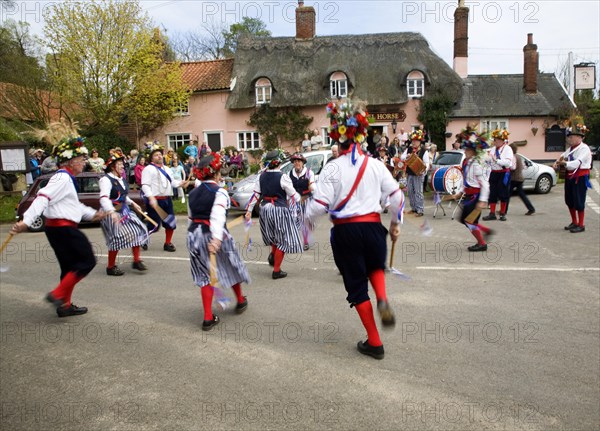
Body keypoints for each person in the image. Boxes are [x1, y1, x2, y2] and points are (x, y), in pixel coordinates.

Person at [305, 99, 404, 360]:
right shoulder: (375, 165)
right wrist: (395, 223)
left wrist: (306, 218)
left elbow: (319, 207)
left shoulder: (332, 168)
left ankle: (375, 342)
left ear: (338, 139)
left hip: (346, 232)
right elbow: (397, 197)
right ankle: (382, 297)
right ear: (360, 137)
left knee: (358, 288)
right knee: (374, 267)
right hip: (373, 228)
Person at [10, 137, 104, 317]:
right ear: (71, 161)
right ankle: (58, 294)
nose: (84, 163)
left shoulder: (67, 178)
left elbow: (73, 206)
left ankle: (65, 306)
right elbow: (43, 196)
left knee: (69, 267)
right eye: (82, 159)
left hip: (57, 228)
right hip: (63, 228)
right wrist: (27, 221)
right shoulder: (62, 177)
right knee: (87, 261)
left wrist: (93, 214)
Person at [187, 153, 250, 331]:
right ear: (214, 174)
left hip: (194, 236)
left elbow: (192, 218)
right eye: (219, 171)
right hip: (214, 235)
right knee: (230, 265)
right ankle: (240, 300)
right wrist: (215, 239)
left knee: (203, 274)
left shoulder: (192, 194)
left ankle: (208, 317)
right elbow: (217, 216)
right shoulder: (220, 192)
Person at [245, 150, 303, 279]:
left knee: (273, 235)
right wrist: (299, 200)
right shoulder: (283, 177)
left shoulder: (261, 176)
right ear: (279, 162)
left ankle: (273, 254)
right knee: (284, 238)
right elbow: (294, 196)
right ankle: (276, 270)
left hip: (265, 209)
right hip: (279, 209)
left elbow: (255, 195)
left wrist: (249, 211)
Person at [99, 150, 149, 276]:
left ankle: (136, 261)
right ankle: (110, 267)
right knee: (116, 237)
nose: (122, 166)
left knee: (138, 229)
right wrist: (111, 212)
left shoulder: (121, 179)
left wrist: (133, 203)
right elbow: (104, 198)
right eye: (120, 164)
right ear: (112, 166)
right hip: (110, 212)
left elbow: (122, 196)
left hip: (123, 209)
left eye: (122, 164)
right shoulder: (106, 180)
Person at [141, 143, 187, 252]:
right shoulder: (148, 169)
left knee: (170, 223)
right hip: (155, 201)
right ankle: (142, 238)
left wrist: (181, 183)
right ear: (151, 158)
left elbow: (173, 183)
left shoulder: (167, 169)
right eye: (156, 155)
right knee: (154, 225)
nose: (159, 156)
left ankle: (167, 243)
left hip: (167, 200)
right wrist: (151, 198)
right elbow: (145, 185)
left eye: (160, 154)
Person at [457, 127, 493, 252]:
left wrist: (482, 200)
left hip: (475, 196)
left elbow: (485, 184)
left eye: (468, 149)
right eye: (465, 149)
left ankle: (482, 243)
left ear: (474, 151)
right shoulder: (467, 162)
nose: (465, 151)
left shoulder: (477, 164)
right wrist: (461, 191)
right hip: (469, 195)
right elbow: (466, 178)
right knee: (464, 219)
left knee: (469, 220)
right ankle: (486, 231)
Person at [553, 124, 592, 233]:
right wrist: (556, 162)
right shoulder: (570, 149)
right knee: (569, 200)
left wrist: (564, 163)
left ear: (580, 137)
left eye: (572, 136)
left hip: (579, 176)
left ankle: (581, 224)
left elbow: (576, 163)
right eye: (569, 137)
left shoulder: (584, 149)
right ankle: (574, 222)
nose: (570, 138)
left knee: (579, 200)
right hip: (569, 176)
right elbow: (562, 156)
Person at [482, 129, 513, 221]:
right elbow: (489, 160)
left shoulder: (508, 149)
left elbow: (508, 163)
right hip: (494, 173)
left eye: (495, 140)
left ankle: (502, 214)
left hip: (503, 174)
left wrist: (496, 160)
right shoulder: (493, 149)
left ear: (501, 140)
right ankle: (492, 213)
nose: (493, 141)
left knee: (503, 194)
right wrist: (486, 159)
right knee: (492, 193)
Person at [289, 153, 316, 250]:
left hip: (306, 199)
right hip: (294, 200)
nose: (297, 163)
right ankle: (294, 240)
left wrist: (311, 186)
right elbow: (288, 188)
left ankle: (305, 242)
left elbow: (313, 187)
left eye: (299, 161)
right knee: (292, 219)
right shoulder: (290, 173)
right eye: (295, 161)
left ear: (303, 163)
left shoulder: (309, 173)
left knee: (306, 221)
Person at [400, 130, 428, 216]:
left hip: (418, 174)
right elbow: (402, 156)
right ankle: (414, 208)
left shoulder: (424, 151)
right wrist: (407, 156)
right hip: (410, 173)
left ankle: (420, 210)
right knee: (410, 192)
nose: (414, 142)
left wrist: (423, 171)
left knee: (418, 192)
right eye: (413, 141)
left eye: (416, 141)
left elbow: (427, 163)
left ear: (419, 142)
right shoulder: (409, 149)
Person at [507, 143, 535, 216]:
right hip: (520, 178)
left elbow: (513, 168)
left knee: (507, 195)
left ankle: (503, 210)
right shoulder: (518, 157)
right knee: (522, 194)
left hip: (514, 178)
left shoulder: (513, 157)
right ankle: (531, 208)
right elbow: (522, 167)